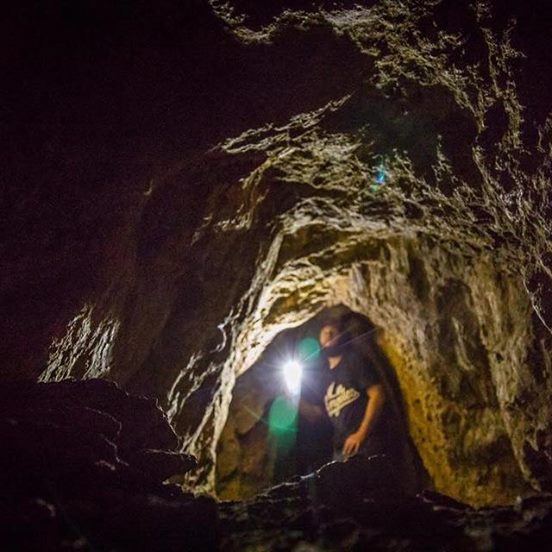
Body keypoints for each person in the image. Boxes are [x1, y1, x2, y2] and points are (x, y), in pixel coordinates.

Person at [317, 317, 389, 461]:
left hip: (366, 444)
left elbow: (377, 394)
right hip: (342, 449)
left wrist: (361, 433)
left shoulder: (353, 360)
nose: (329, 335)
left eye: (333, 332)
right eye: (325, 332)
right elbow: (319, 414)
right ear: (319, 338)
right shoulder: (323, 376)